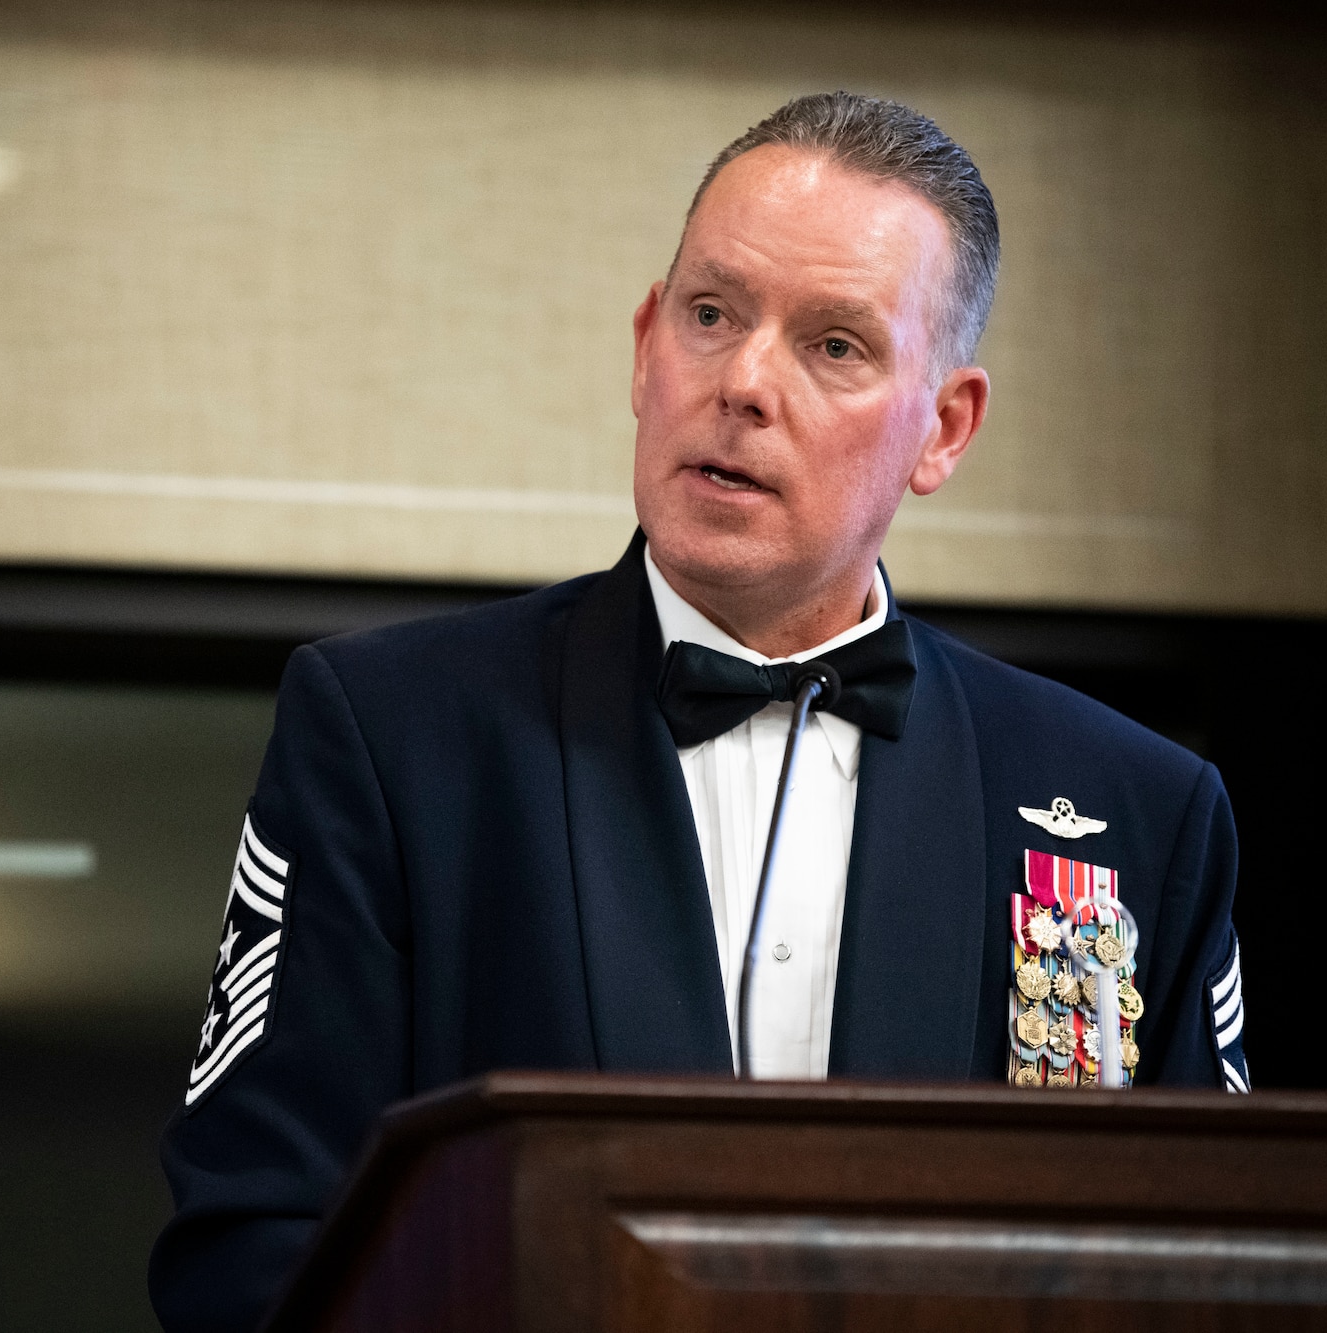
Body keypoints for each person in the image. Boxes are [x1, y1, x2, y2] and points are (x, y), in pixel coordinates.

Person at [149, 91, 1247, 1332]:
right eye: (710, 314)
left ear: (941, 428)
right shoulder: (391, 734)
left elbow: (1201, 1279)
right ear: (640, 348)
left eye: (834, 345)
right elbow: (252, 1250)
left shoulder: (1133, 810)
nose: (741, 383)